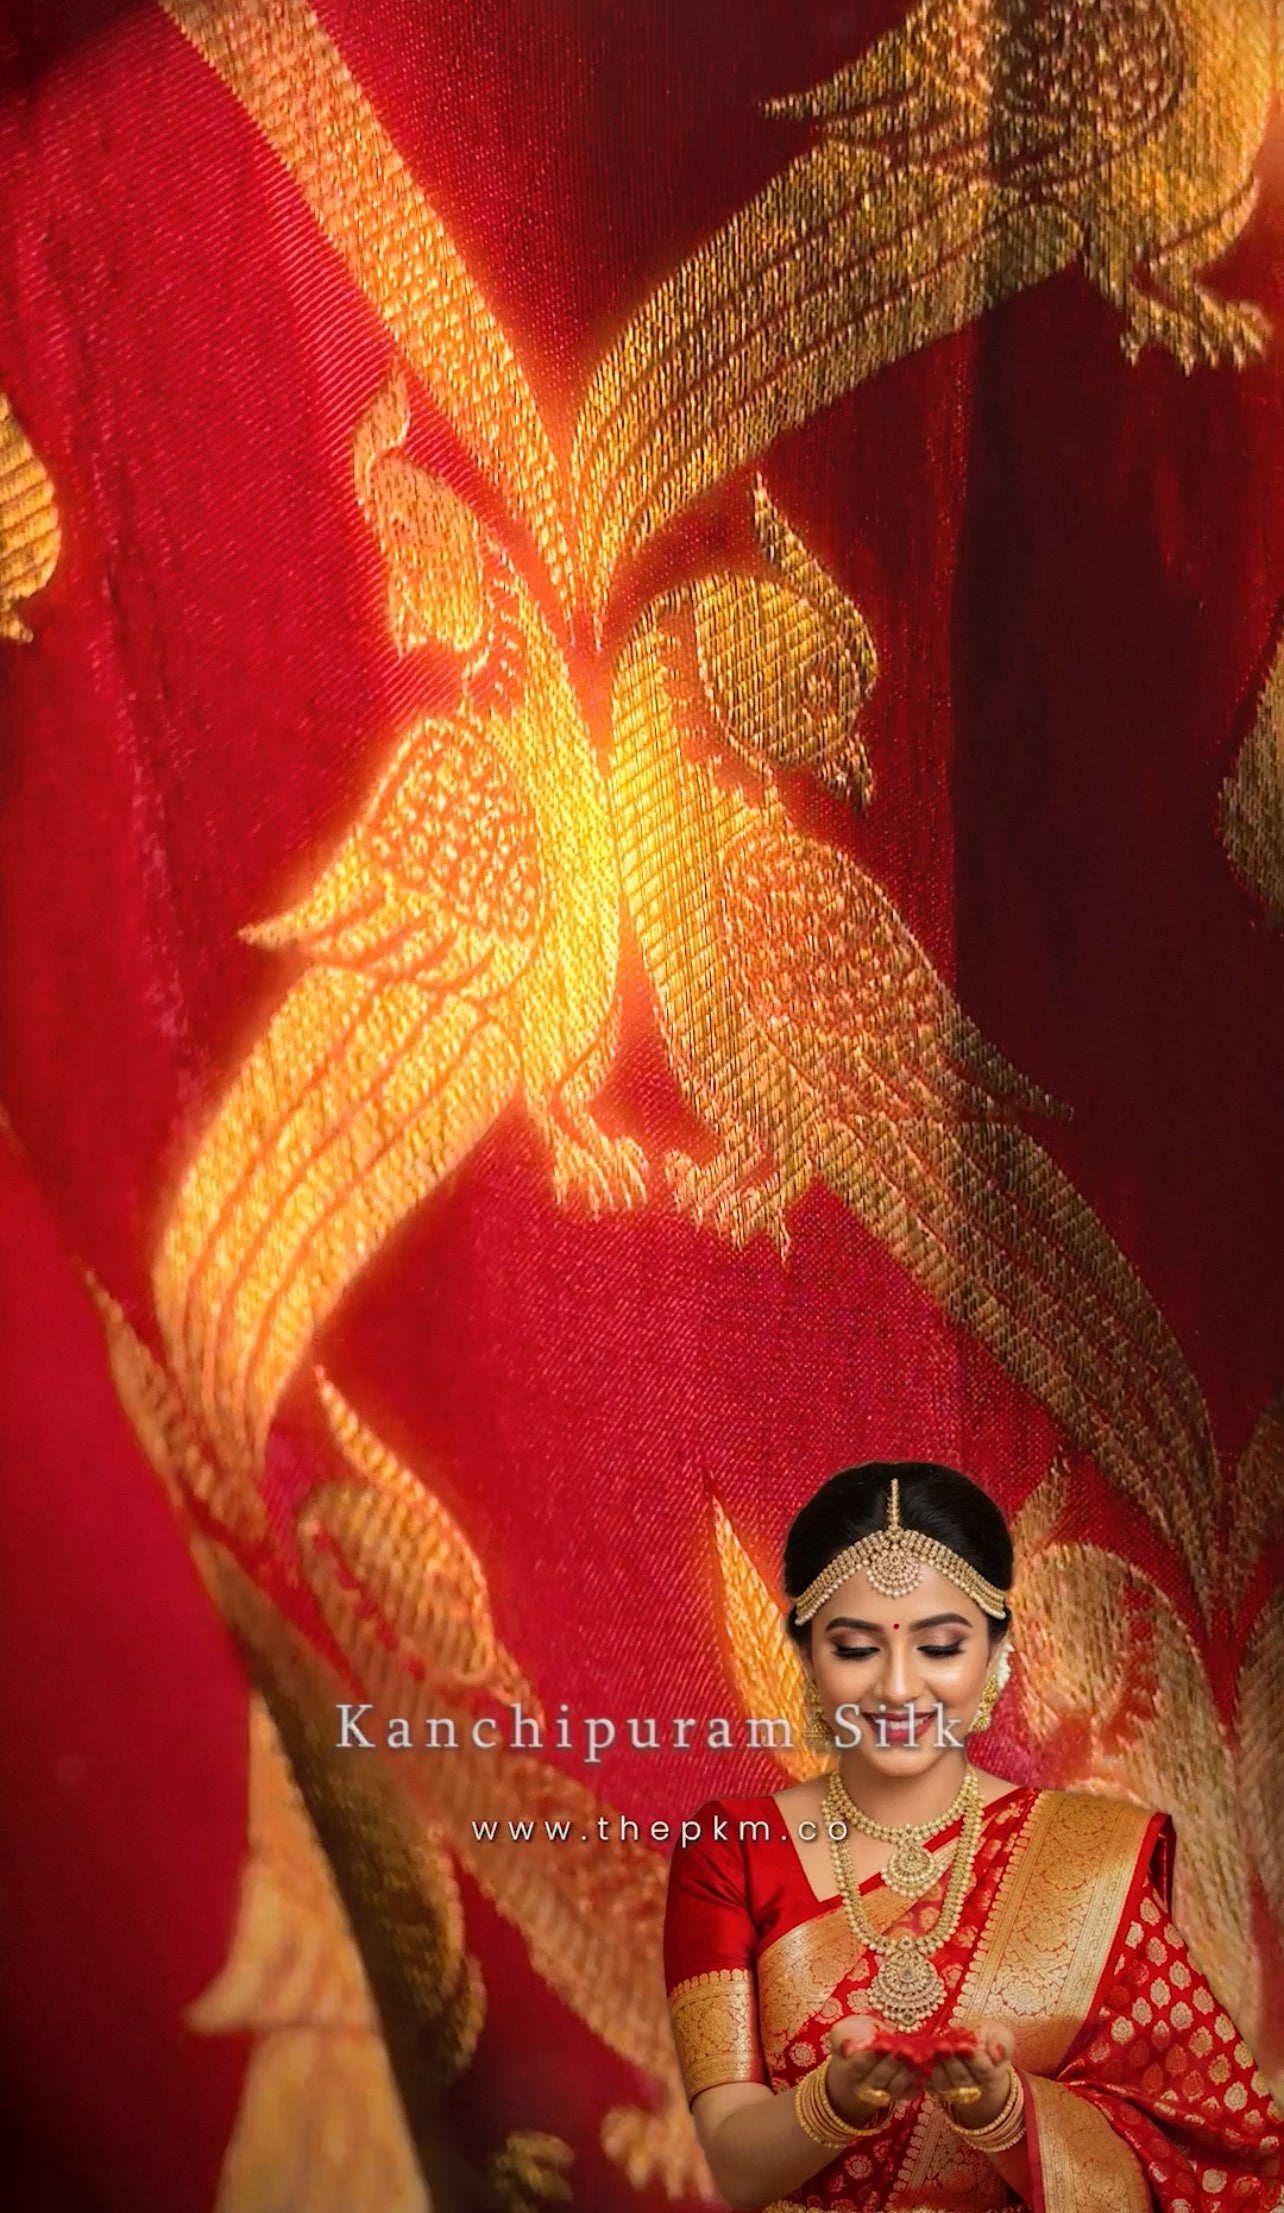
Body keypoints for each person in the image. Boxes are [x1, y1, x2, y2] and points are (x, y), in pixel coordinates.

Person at [663, 1461, 1284, 2212]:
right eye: (855, 1648)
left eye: (940, 1647)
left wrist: (1008, 2116)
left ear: (996, 1655)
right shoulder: (731, 1851)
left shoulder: (1087, 1860)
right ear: (808, 1657)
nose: (898, 1687)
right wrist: (834, 2100)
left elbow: (1216, 2157)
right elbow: (735, 2165)